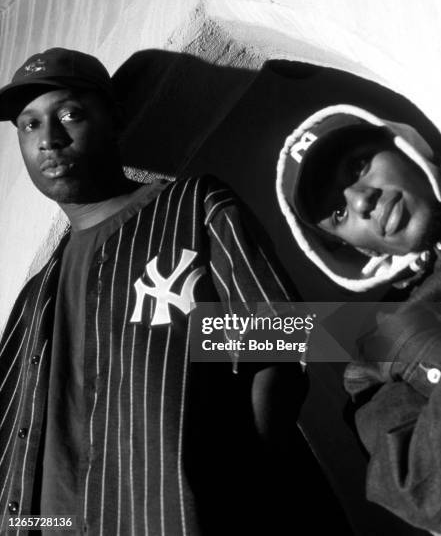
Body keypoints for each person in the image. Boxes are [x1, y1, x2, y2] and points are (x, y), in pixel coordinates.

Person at [0, 47, 306, 536]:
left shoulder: (192, 208)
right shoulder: (32, 299)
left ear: (114, 118)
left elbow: (283, 346)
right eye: (29, 125)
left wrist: (238, 498)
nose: (49, 140)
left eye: (70, 114)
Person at [276, 103, 441, 533]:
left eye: (358, 165)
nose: (362, 199)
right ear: (361, 252)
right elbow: (427, 497)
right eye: (338, 214)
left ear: (404, 146)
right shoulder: (373, 365)